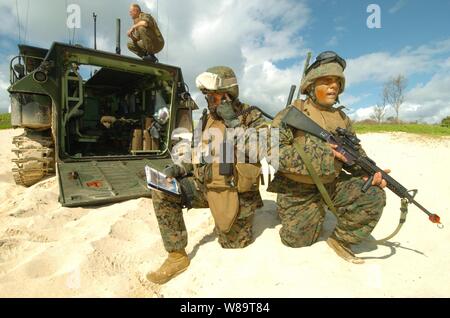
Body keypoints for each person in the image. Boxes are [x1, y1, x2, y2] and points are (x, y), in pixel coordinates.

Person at [147, 66, 268, 284]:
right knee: (163, 191)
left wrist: (233, 122)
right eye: (206, 95)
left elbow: (259, 149)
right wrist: (181, 168)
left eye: (214, 95)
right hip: (206, 186)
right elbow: (196, 152)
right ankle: (176, 256)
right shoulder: (205, 118)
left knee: (232, 244)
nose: (208, 100)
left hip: (236, 191)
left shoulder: (250, 115)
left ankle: (244, 212)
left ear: (229, 93)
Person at [268, 51, 388, 264]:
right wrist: (324, 153)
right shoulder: (292, 113)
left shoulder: (342, 118)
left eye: (337, 82)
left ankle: (340, 240)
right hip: (297, 188)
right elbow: (273, 153)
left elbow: (356, 153)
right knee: (296, 240)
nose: (333, 86)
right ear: (310, 86)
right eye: (326, 81)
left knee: (373, 194)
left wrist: (369, 171)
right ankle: (292, 209)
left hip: (331, 184)